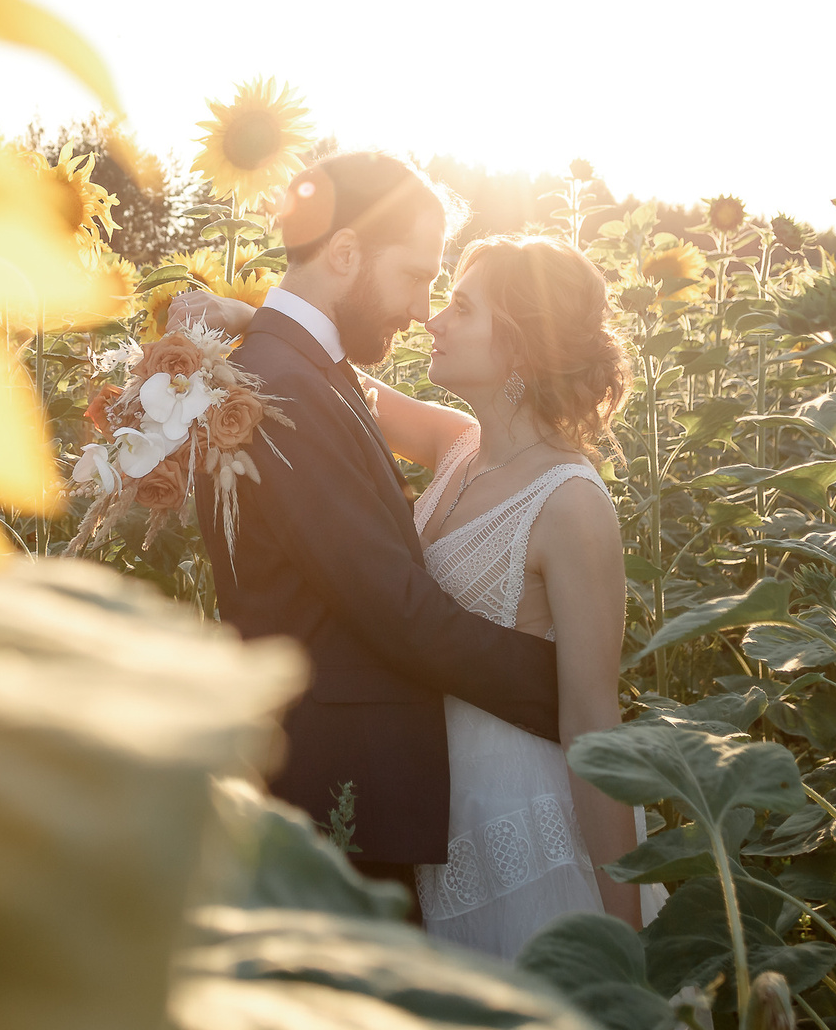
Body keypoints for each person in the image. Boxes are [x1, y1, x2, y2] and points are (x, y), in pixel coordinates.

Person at [174, 153, 559, 1030]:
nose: (421, 306)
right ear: (345, 253)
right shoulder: (284, 384)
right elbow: (391, 607)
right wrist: (561, 688)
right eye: (415, 274)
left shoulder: (296, 368)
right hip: (336, 796)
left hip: (341, 785)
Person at [180, 226, 646, 956]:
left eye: (462, 307)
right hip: (435, 809)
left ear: (520, 345)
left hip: (522, 821)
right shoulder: (458, 444)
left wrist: (632, 941)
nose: (432, 319)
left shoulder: (573, 505)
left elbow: (591, 718)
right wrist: (251, 319)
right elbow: (327, 383)